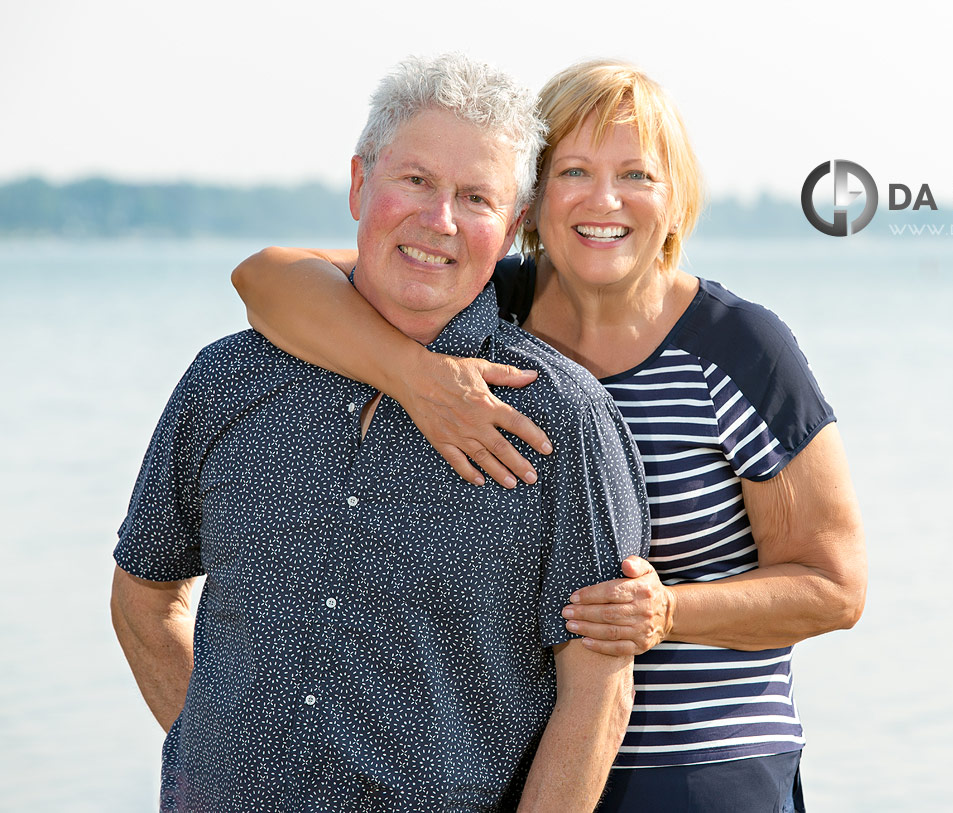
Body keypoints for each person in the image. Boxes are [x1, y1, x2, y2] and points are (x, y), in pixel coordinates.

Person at [232, 60, 867, 812]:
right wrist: (418, 378)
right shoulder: (482, 306)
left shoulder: (742, 349)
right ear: (532, 202)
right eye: (575, 171)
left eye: (637, 174)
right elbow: (267, 278)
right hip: (523, 779)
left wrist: (668, 612)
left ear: (676, 200)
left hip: (703, 776)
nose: (605, 201)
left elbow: (835, 586)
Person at [110, 54, 652, 812]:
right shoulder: (227, 381)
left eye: (475, 197)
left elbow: (599, 691)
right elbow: (144, 589)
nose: (439, 220)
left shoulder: (563, 418)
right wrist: (208, 758)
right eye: (417, 181)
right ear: (362, 184)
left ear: (513, 226)